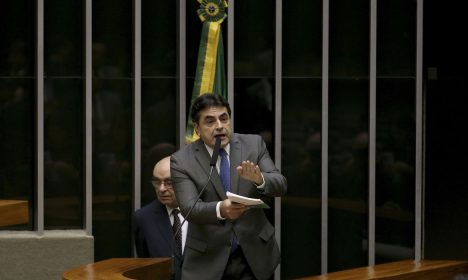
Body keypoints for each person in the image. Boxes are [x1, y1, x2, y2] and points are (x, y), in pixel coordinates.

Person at [170, 93, 287, 280]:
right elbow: (189, 208)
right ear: (197, 129)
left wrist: (260, 179)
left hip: (255, 255)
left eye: (224, 119)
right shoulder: (182, 160)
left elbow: (280, 184)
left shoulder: (253, 144)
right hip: (208, 260)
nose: (219, 126)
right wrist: (220, 209)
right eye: (210, 121)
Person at [133, 156, 187, 280]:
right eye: (157, 182)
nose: (161, 189)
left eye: (169, 182)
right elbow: (145, 264)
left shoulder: (204, 212)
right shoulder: (144, 218)